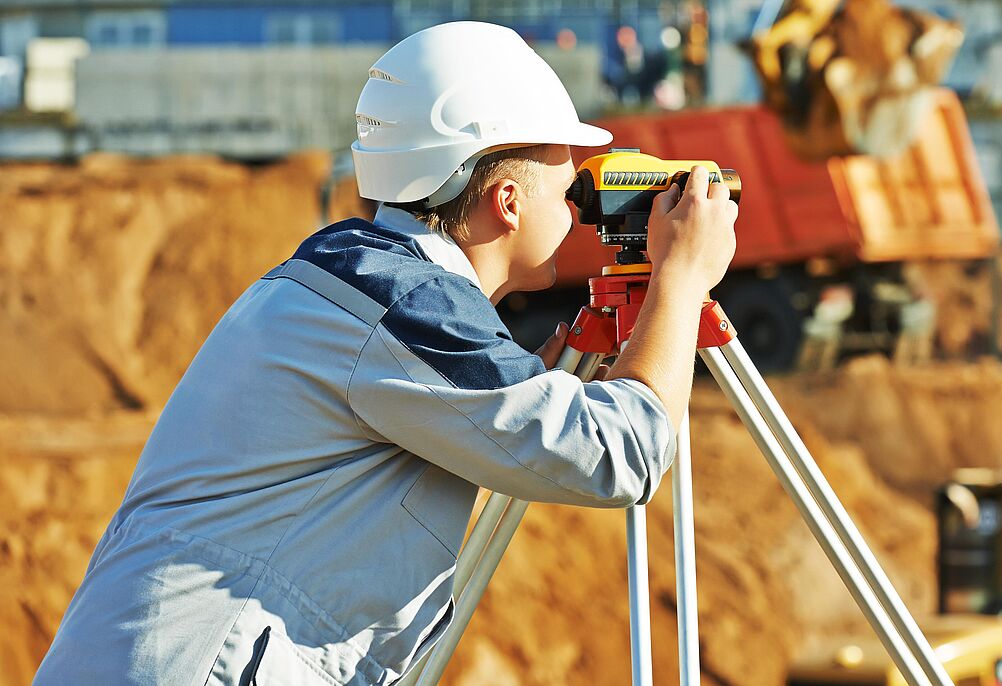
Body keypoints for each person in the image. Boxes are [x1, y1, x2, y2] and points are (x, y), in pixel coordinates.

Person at [35, 21, 736, 685]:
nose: (582, 194)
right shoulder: (401, 308)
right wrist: (681, 277)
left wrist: (531, 387)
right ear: (510, 200)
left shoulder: (352, 279)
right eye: (568, 176)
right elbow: (627, 453)